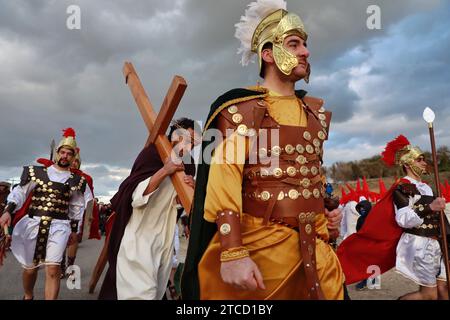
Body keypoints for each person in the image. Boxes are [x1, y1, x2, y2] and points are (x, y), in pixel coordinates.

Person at [182, 0, 344, 300]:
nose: (306, 52)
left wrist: (324, 217)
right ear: (268, 54)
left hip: (316, 251)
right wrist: (232, 252)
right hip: (262, 253)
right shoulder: (243, 108)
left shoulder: (314, 113)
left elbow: (306, 179)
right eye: (294, 44)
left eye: (305, 44)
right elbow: (224, 176)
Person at [337, 135, 449, 300]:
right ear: (407, 164)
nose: (424, 163)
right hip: (420, 243)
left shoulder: (426, 187)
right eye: (419, 160)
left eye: (424, 159)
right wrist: (430, 207)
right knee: (429, 295)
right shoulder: (402, 187)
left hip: (438, 241)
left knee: (444, 290)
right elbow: (403, 219)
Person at [98, 118, 198, 300]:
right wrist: (164, 170)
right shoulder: (152, 154)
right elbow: (133, 194)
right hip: (140, 235)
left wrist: (195, 189)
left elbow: (179, 203)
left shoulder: (189, 165)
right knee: (142, 294)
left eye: (194, 143)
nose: (191, 147)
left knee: (156, 292)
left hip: (165, 236)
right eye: (188, 140)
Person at [0, 128, 87, 300]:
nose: (65, 156)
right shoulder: (37, 173)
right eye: (62, 152)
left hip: (60, 226)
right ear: (57, 153)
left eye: (69, 154)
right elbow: (20, 193)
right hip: (33, 223)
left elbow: (77, 207)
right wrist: (8, 211)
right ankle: (28, 295)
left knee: (53, 268)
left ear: (74, 157)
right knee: (30, 269)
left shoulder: (77, 181)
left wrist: (74, 231)